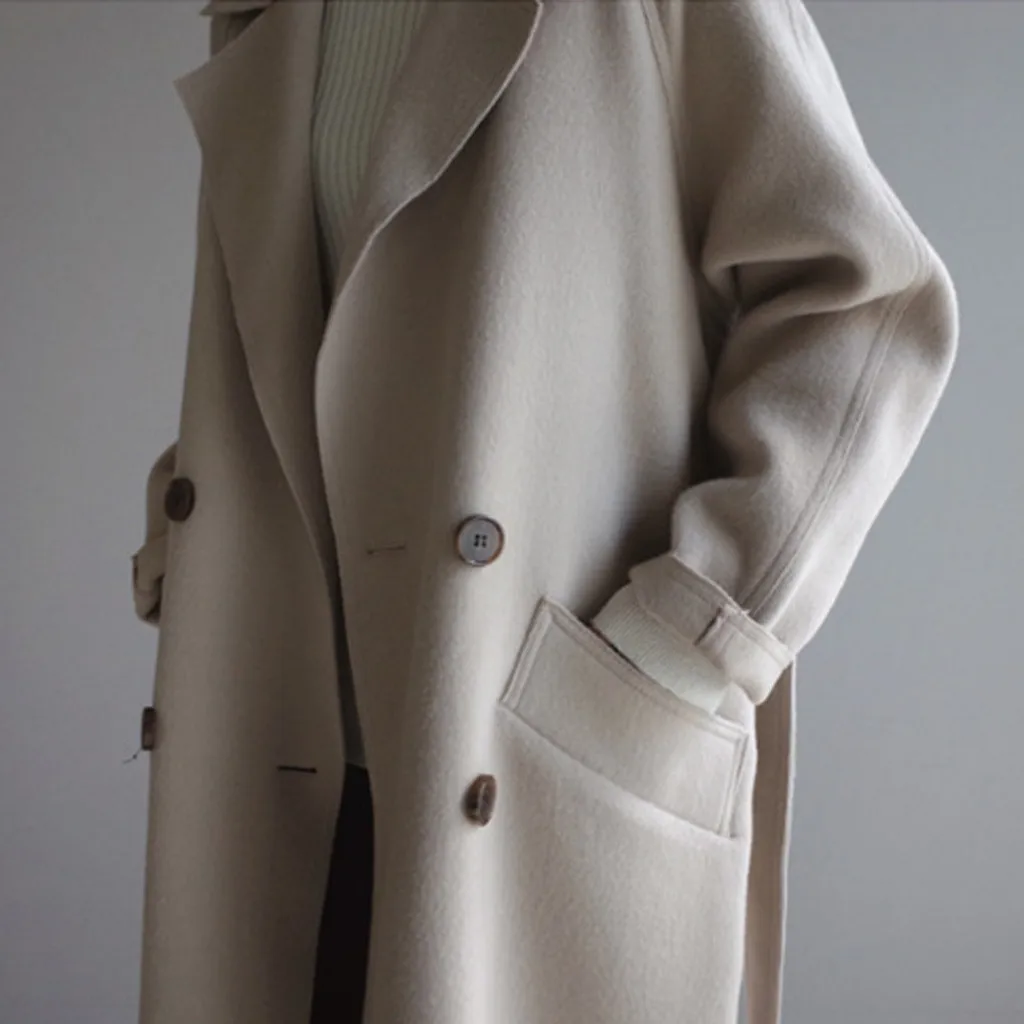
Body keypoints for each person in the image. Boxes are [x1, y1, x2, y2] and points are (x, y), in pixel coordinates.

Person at [130, 2, 959, 1023]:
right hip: (275, 722)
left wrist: (687, 638)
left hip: (534, 742)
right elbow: (313, 318)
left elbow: (868, 302)